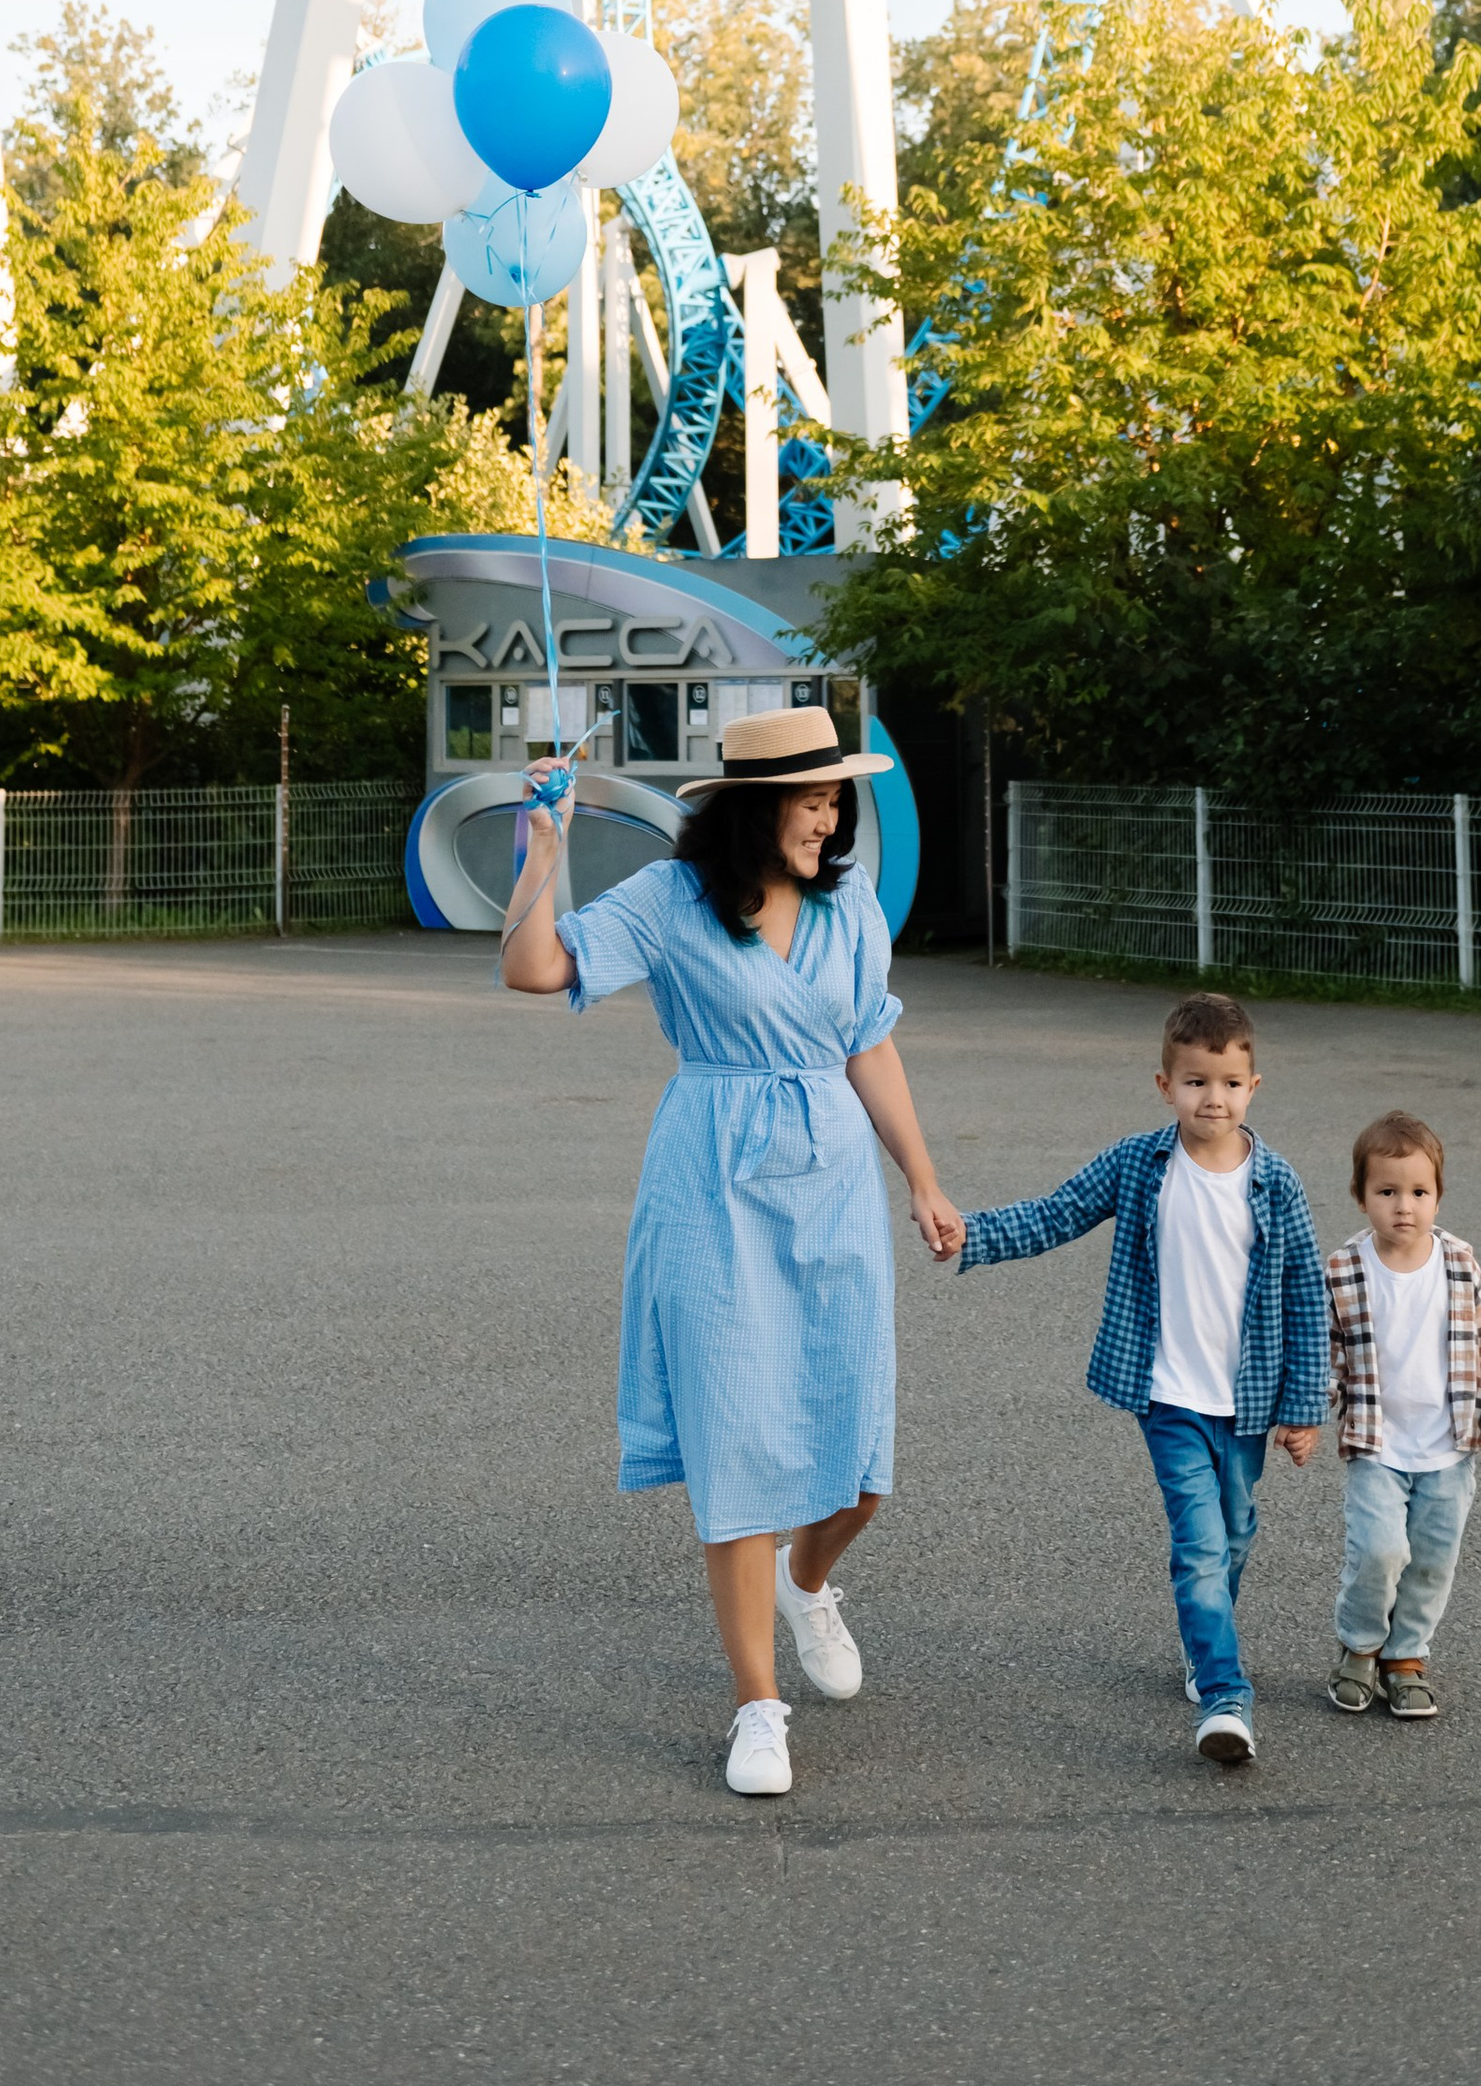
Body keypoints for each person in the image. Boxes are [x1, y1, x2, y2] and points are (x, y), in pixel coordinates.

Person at [498, 704, 964, 1801]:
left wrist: (925, 1180)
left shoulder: (851, 908)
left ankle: (811, 1582)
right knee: (738, 1451)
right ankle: (758, 1706)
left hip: (833, 1181)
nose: (829, 817)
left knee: (858, 1464)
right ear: (759, 807)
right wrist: (543, 847)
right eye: (813, 799)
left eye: (834, 797)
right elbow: (533, 967)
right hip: (709, 1186)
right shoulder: (669, 901)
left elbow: (868, 1042)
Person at [947, 990, 1327, 1770]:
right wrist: (973, 1234)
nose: (1211, 1097)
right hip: (1168, 1396)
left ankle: (1201, 1642)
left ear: (1253, 1086)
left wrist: (1304, 1406)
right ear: (1165, 1085)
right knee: (1197, 1543)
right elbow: (1058, 1212)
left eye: (1227, 1082)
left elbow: (1305, 1295)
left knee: (1235, 1530)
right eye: (1194, 1081)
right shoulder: (1138, 1164)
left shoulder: (1277, 1183)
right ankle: (1226, 1696)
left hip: (1250, 1401)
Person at [1324, 1107, 1481, 1721]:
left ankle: (1405, 1659)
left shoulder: (1460, 1265)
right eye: (1387, 1192)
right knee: (1380, 1552)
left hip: (1449, 1446)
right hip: (1378, 1446)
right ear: (1361, 1197)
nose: (1403, 1206)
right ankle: (1360, 1648)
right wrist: (1303, 1414)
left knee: (1434, 1559)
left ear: (1438, 1196)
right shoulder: (1344, 1270)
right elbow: (1322, 1355)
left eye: (1418, 1192)